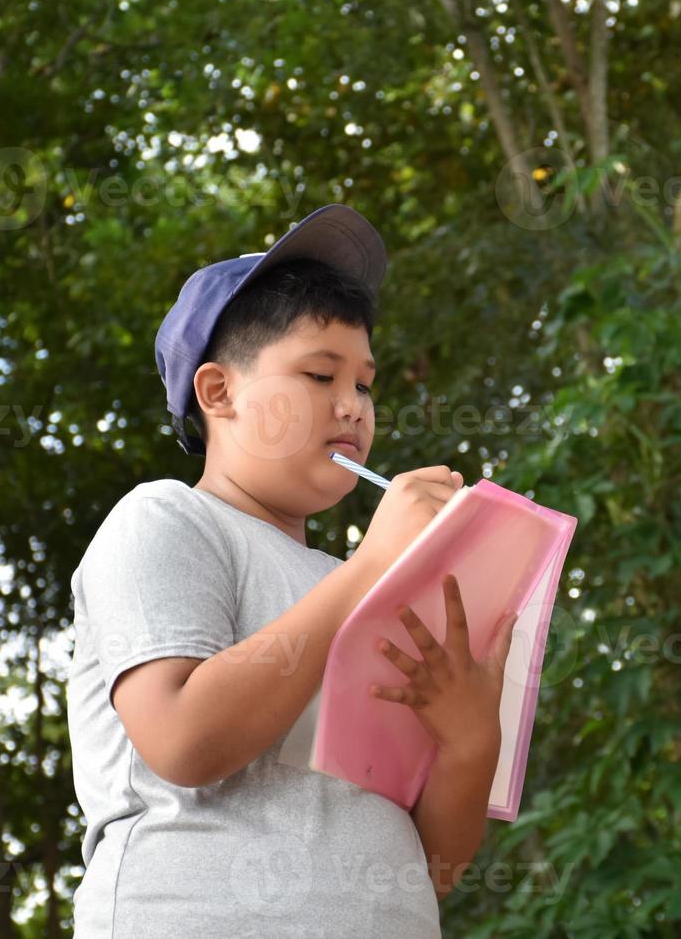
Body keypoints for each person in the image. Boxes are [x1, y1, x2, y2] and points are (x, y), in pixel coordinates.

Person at [65, 204, 516, 937]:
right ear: (219, 394)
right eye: (318, 373)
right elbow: (182, 739)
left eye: (365, 384)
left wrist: (470, 739)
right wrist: (373, 564)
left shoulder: (369, 581)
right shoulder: (167, 520)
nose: (352, 407)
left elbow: (432, 865)